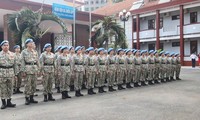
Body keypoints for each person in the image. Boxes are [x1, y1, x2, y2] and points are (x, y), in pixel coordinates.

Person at [20, 38, 40, 105]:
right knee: (27, 85)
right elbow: (22, 62)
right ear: (27, 44)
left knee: (34, 84)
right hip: (27, 69)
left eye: (32, 42)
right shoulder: (24, 52)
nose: (31, 43)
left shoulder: (35, 52)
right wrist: (23, 71)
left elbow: (37, 61)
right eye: (30, 42)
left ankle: (32, 97)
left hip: (34, 69)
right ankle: (27, 98)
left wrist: (39, 69)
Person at [0, 40, 16, 109]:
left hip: (11, 72)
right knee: (3, 88)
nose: (6, 46)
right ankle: (3, 103)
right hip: (2, 73)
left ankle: (9, 102)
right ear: (1, 47)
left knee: (10, 88)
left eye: (7, 45)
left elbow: (15, 65)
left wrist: (15, 74)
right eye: (4, 45)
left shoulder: (13, 54)